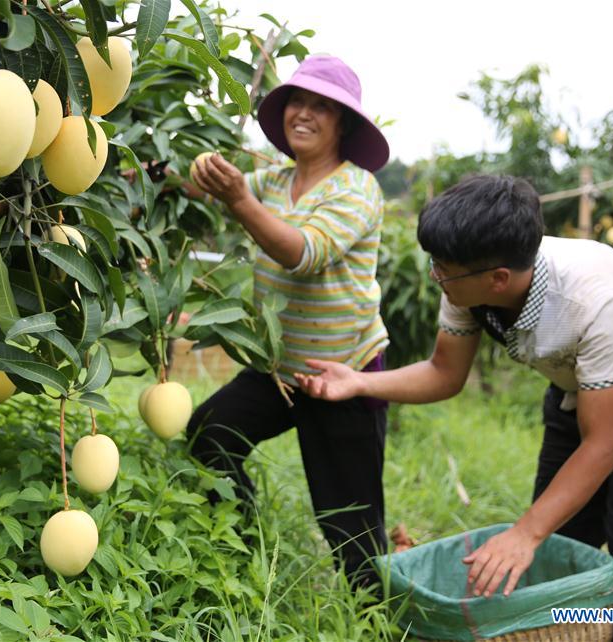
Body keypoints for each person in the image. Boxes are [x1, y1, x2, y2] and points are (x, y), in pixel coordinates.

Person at [294, 175, 613, 641]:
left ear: (498, 278)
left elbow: (604, 444)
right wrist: (358, 382)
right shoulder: (471, 284)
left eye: (443, 268)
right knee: (561, 558)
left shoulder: (590, 300)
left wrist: (524, 533)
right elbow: (445, 374)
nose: (435, 275)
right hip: (580, 393)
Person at [185, 55, 391, 586]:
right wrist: (194, 172)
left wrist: (237, 199)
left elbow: (303, 253)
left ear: (343, 124)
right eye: (297, 101)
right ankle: (241, 548)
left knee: (350, 519)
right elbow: (206, 188)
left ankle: (375, 614)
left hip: (341, 374)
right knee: (211, 433)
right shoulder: (272, 179)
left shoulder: (356, 188)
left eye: (322, 107)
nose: (304, 113)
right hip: (277, 367)